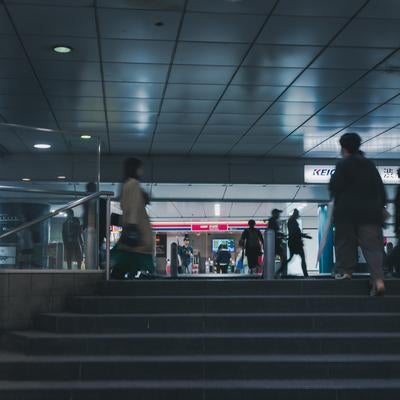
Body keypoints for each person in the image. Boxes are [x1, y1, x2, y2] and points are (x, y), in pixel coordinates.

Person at [329, 132, 386, 296]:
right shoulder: (370, 165)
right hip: (370, 215)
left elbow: (335, 187)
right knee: (373, 248)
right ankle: (378, 279)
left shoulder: (343, 165)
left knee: (345, 243)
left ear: (343, 148)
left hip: (347, 214)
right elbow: (381, 191)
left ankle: (346, 272)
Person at [110, 157, 154, 279]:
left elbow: (127, 205)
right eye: (140, 168)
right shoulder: (134, 184)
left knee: (127, 261)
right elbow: (133, 207)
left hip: (131, 227)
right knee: (133, 259)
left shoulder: (126, 184)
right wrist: (132, 226)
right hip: (137, 229)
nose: (142, 171)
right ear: (135, 169)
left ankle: (119, 281)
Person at [287, 209, 311, 277]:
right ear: (295, 214)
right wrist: (304, 235)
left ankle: (280, 270)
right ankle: (306, 275)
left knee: (291, 258)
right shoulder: (292, 221)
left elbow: (295, 232)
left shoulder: (291, 220)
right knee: (302, 258)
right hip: (296, 242)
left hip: (293, 242)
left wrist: (303, 235)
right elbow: (295, 233)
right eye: (297, 214)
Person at [268, 209, 287, 278]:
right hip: (274, 244)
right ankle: (277, 273)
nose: (279, 215)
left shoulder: (274, 221)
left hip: (276, 244)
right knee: (283, 258)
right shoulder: (272, 221)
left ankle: (275, 273)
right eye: (278, 213)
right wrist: (281, 235)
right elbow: (273, 232)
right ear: (274, 214)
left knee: (271, 260)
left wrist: (281, 235)